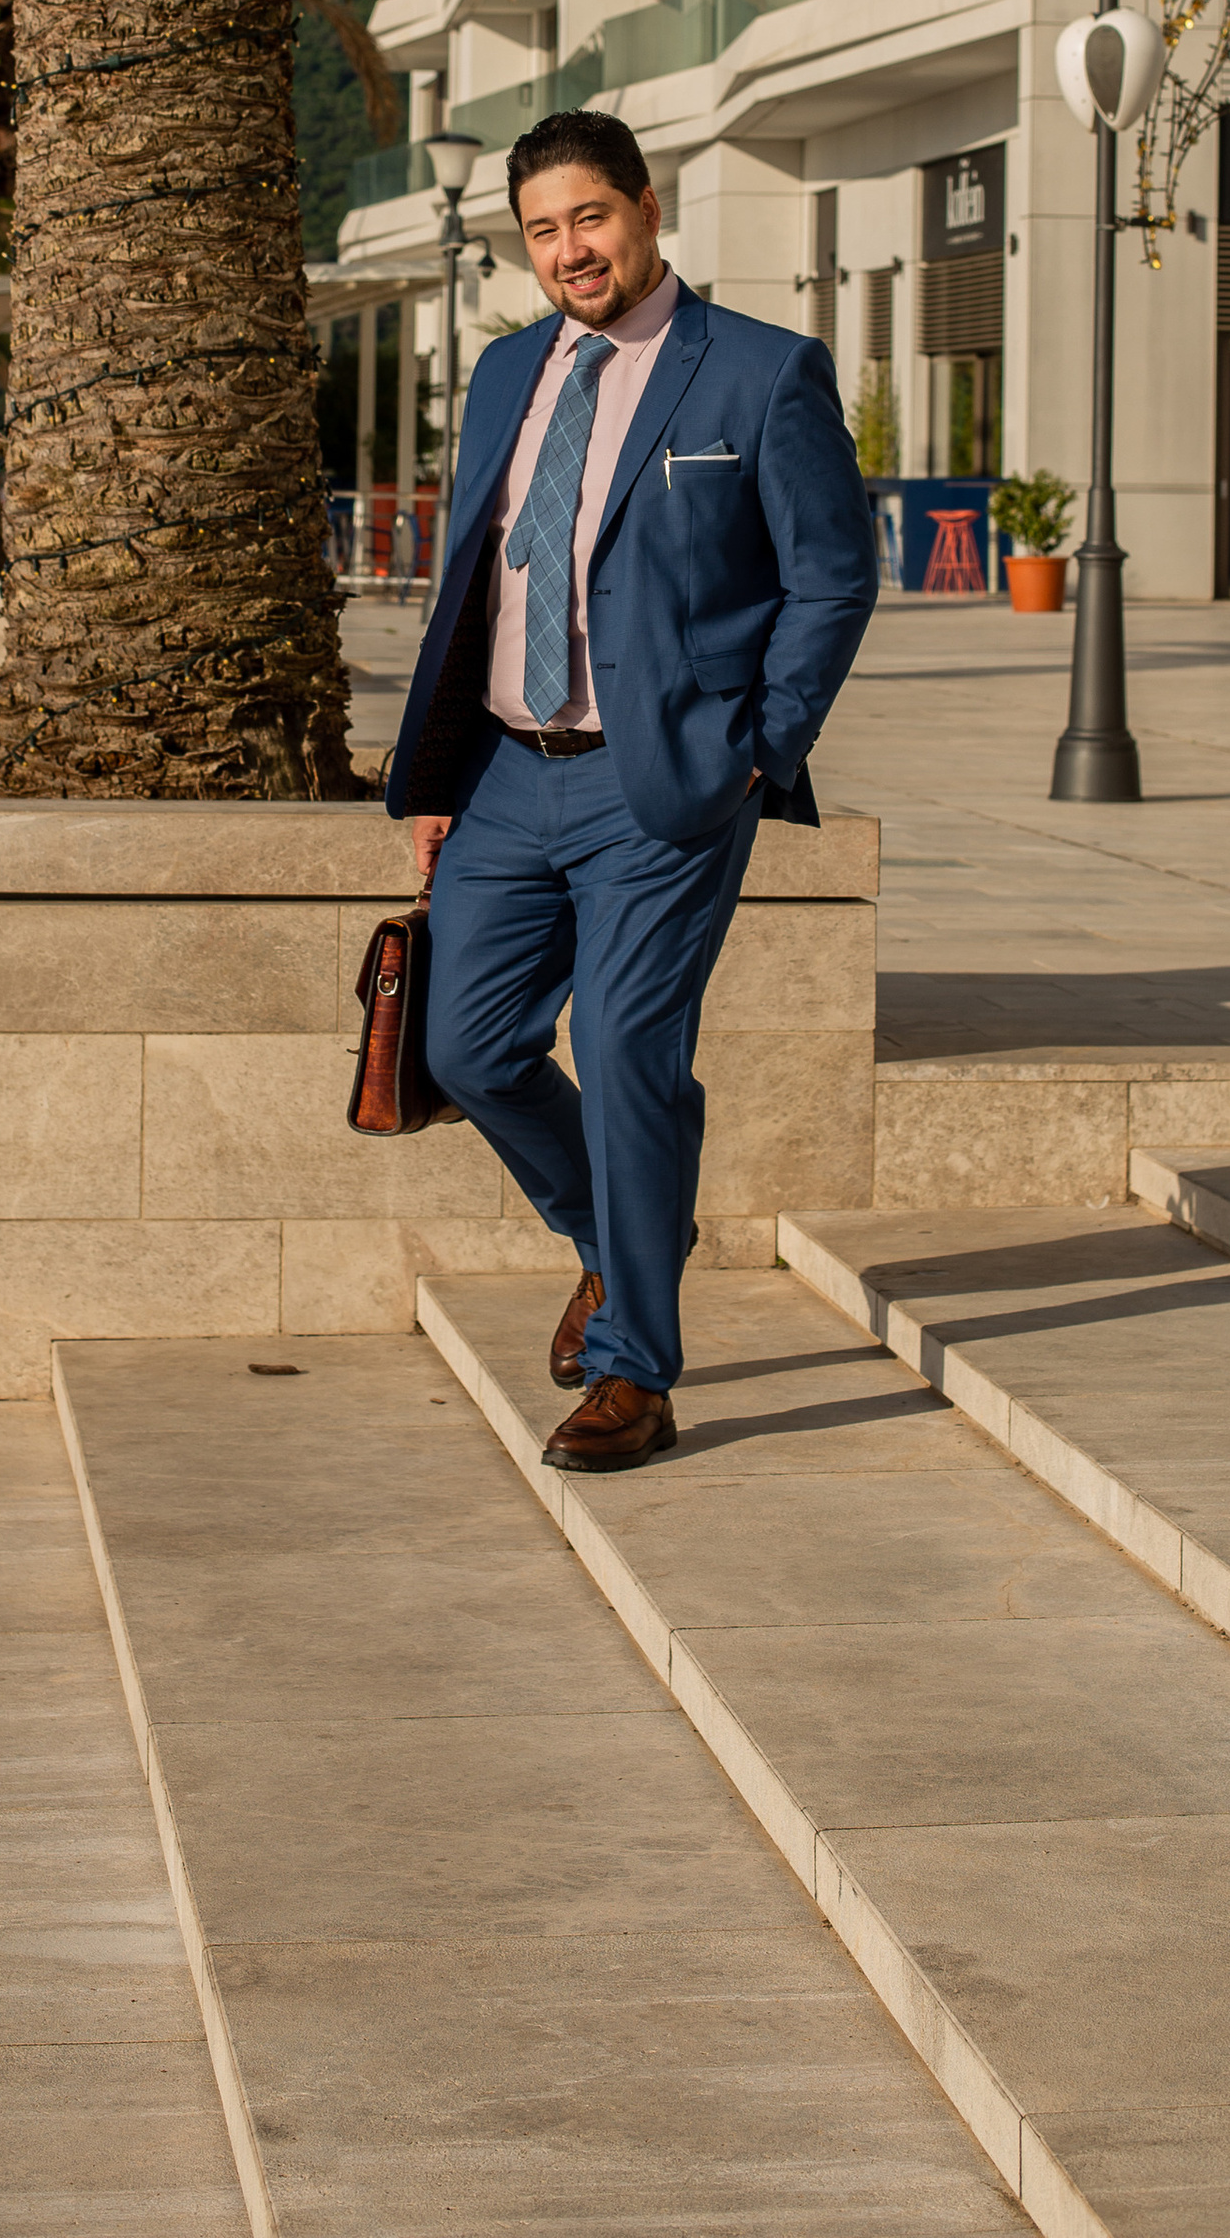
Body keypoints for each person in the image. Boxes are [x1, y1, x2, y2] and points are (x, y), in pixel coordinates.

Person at [387, 110, 879, 1472]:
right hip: (498, 772)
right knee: (468, 1050)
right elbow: (476, 580)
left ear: (646, 211)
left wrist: (760, 745)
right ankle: (618, 1237)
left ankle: (634, 1374)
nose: (568, 252)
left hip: (658, 784)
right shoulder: (502, 378)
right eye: (542, 231)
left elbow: (832, 574)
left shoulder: (759, 374)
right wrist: (434, 772)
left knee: (622, 1051)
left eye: (588, 219)